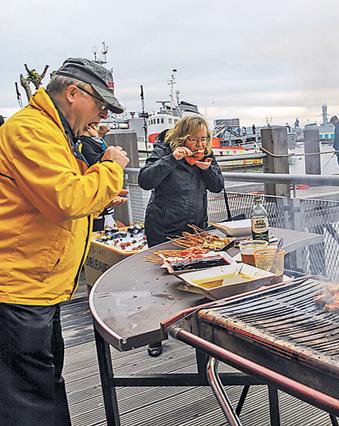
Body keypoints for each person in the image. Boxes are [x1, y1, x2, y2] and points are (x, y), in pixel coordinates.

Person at [0, 57, 129, 425]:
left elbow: (49, 200)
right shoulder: (31, 131)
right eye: (101, 105)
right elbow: (67, 199)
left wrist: (100, 192)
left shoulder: (52, 131)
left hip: (38, 287)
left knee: (41, 385)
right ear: (73, 93)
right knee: (30, 401)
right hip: (18, 292)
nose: (102, 116)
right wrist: (111, 166)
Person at [139, 115, 224, 356]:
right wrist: (170, 160)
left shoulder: (205, 154)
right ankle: (155, 335)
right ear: (182, 137)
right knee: (162, 283)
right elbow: (145, 180)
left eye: (203, 139)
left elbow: (217, 185)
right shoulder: (164, 149)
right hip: (163, 227)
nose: (199, 144)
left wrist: (206, 169)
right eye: (195, 139)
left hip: (196, 228)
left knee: (200, 281)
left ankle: (200, 331)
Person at [78, 123, 128, 230]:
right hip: (94, 208)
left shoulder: (92, 142)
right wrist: (112, 162)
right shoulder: (84, 143)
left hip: (97, 206)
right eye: (95, 126)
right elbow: (95, 164)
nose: (97, 129)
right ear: (88, 128)